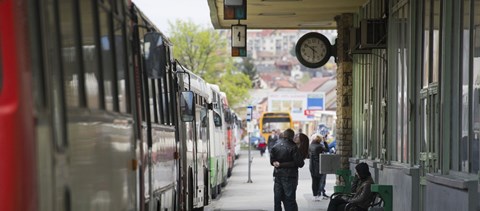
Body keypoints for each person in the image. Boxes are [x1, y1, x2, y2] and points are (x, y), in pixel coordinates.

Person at [270, 129, 305, 211]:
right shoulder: (293, 147)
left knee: (277, 199)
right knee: (290, 200)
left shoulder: (276, 145)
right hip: (290, 176)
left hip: (277, 175)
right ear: (291, 136)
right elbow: (300, 163)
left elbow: (272, 161)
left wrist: (277, 164)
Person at [308, 133, 329, 201]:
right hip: (318, 166)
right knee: (319, 181)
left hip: (312, 166)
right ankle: (318, 194)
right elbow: (327, 150)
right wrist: (325, 141)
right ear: (320, 140)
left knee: (314, 181)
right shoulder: (319, 146)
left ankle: (314, 195)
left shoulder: (310, 145)